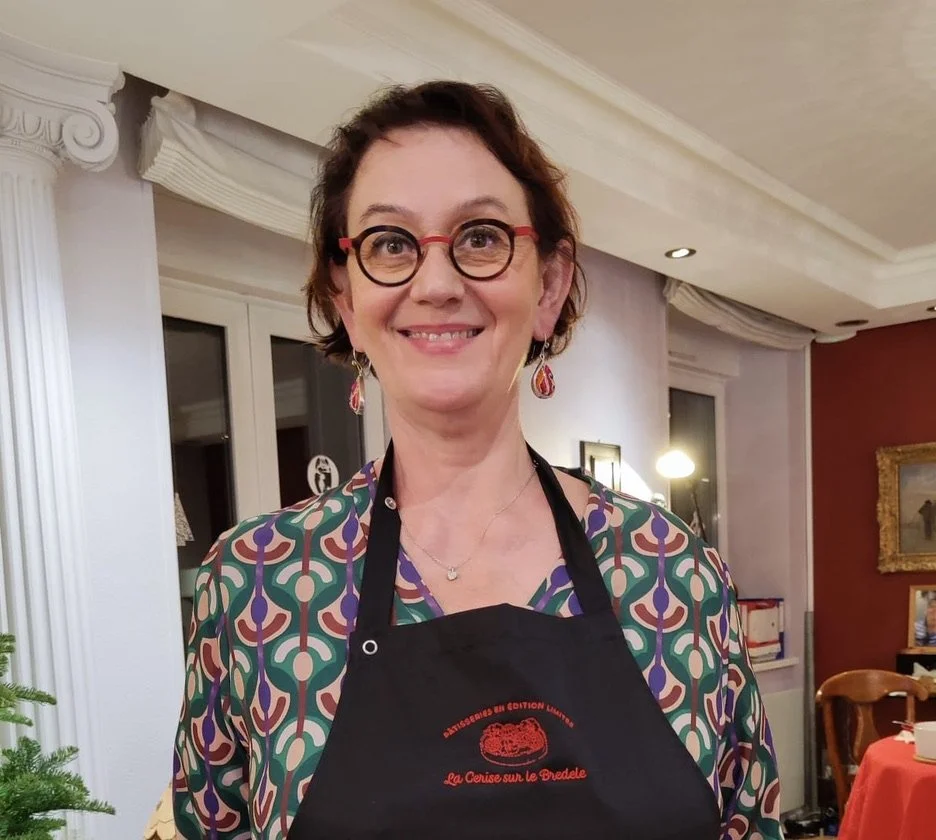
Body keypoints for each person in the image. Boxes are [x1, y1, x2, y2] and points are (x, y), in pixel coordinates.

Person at [172, 80, 781, 840]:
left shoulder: (676, 573)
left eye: (482, 237)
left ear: (549, 286)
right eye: (390, 244)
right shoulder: (257, 580)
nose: (436, 283)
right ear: (344, 298)